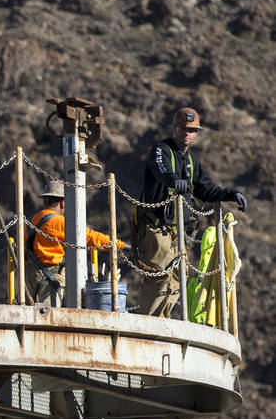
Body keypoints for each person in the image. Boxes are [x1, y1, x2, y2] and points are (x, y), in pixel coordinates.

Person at [133, 107, 246, 317]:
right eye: (183, 128)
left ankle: (162, 320)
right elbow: (161, 169)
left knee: (178, 276)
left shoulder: (192, 160)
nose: (187, 133)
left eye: (192, 130)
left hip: (179, 232)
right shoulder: (161, 150)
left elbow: (204, 188)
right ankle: (147, 321)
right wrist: (174, 182)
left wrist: (230, 194)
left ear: (196, 134)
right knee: (160, 272)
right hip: (158, 226)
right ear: (174, 129)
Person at [26, 180, 124, 306]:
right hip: (49, 278)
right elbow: (89, 237)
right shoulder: (59, 222)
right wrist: (120, 245)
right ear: (62, 203)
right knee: (46, 318)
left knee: (31, 314)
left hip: (29, 275)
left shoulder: (31, 220)